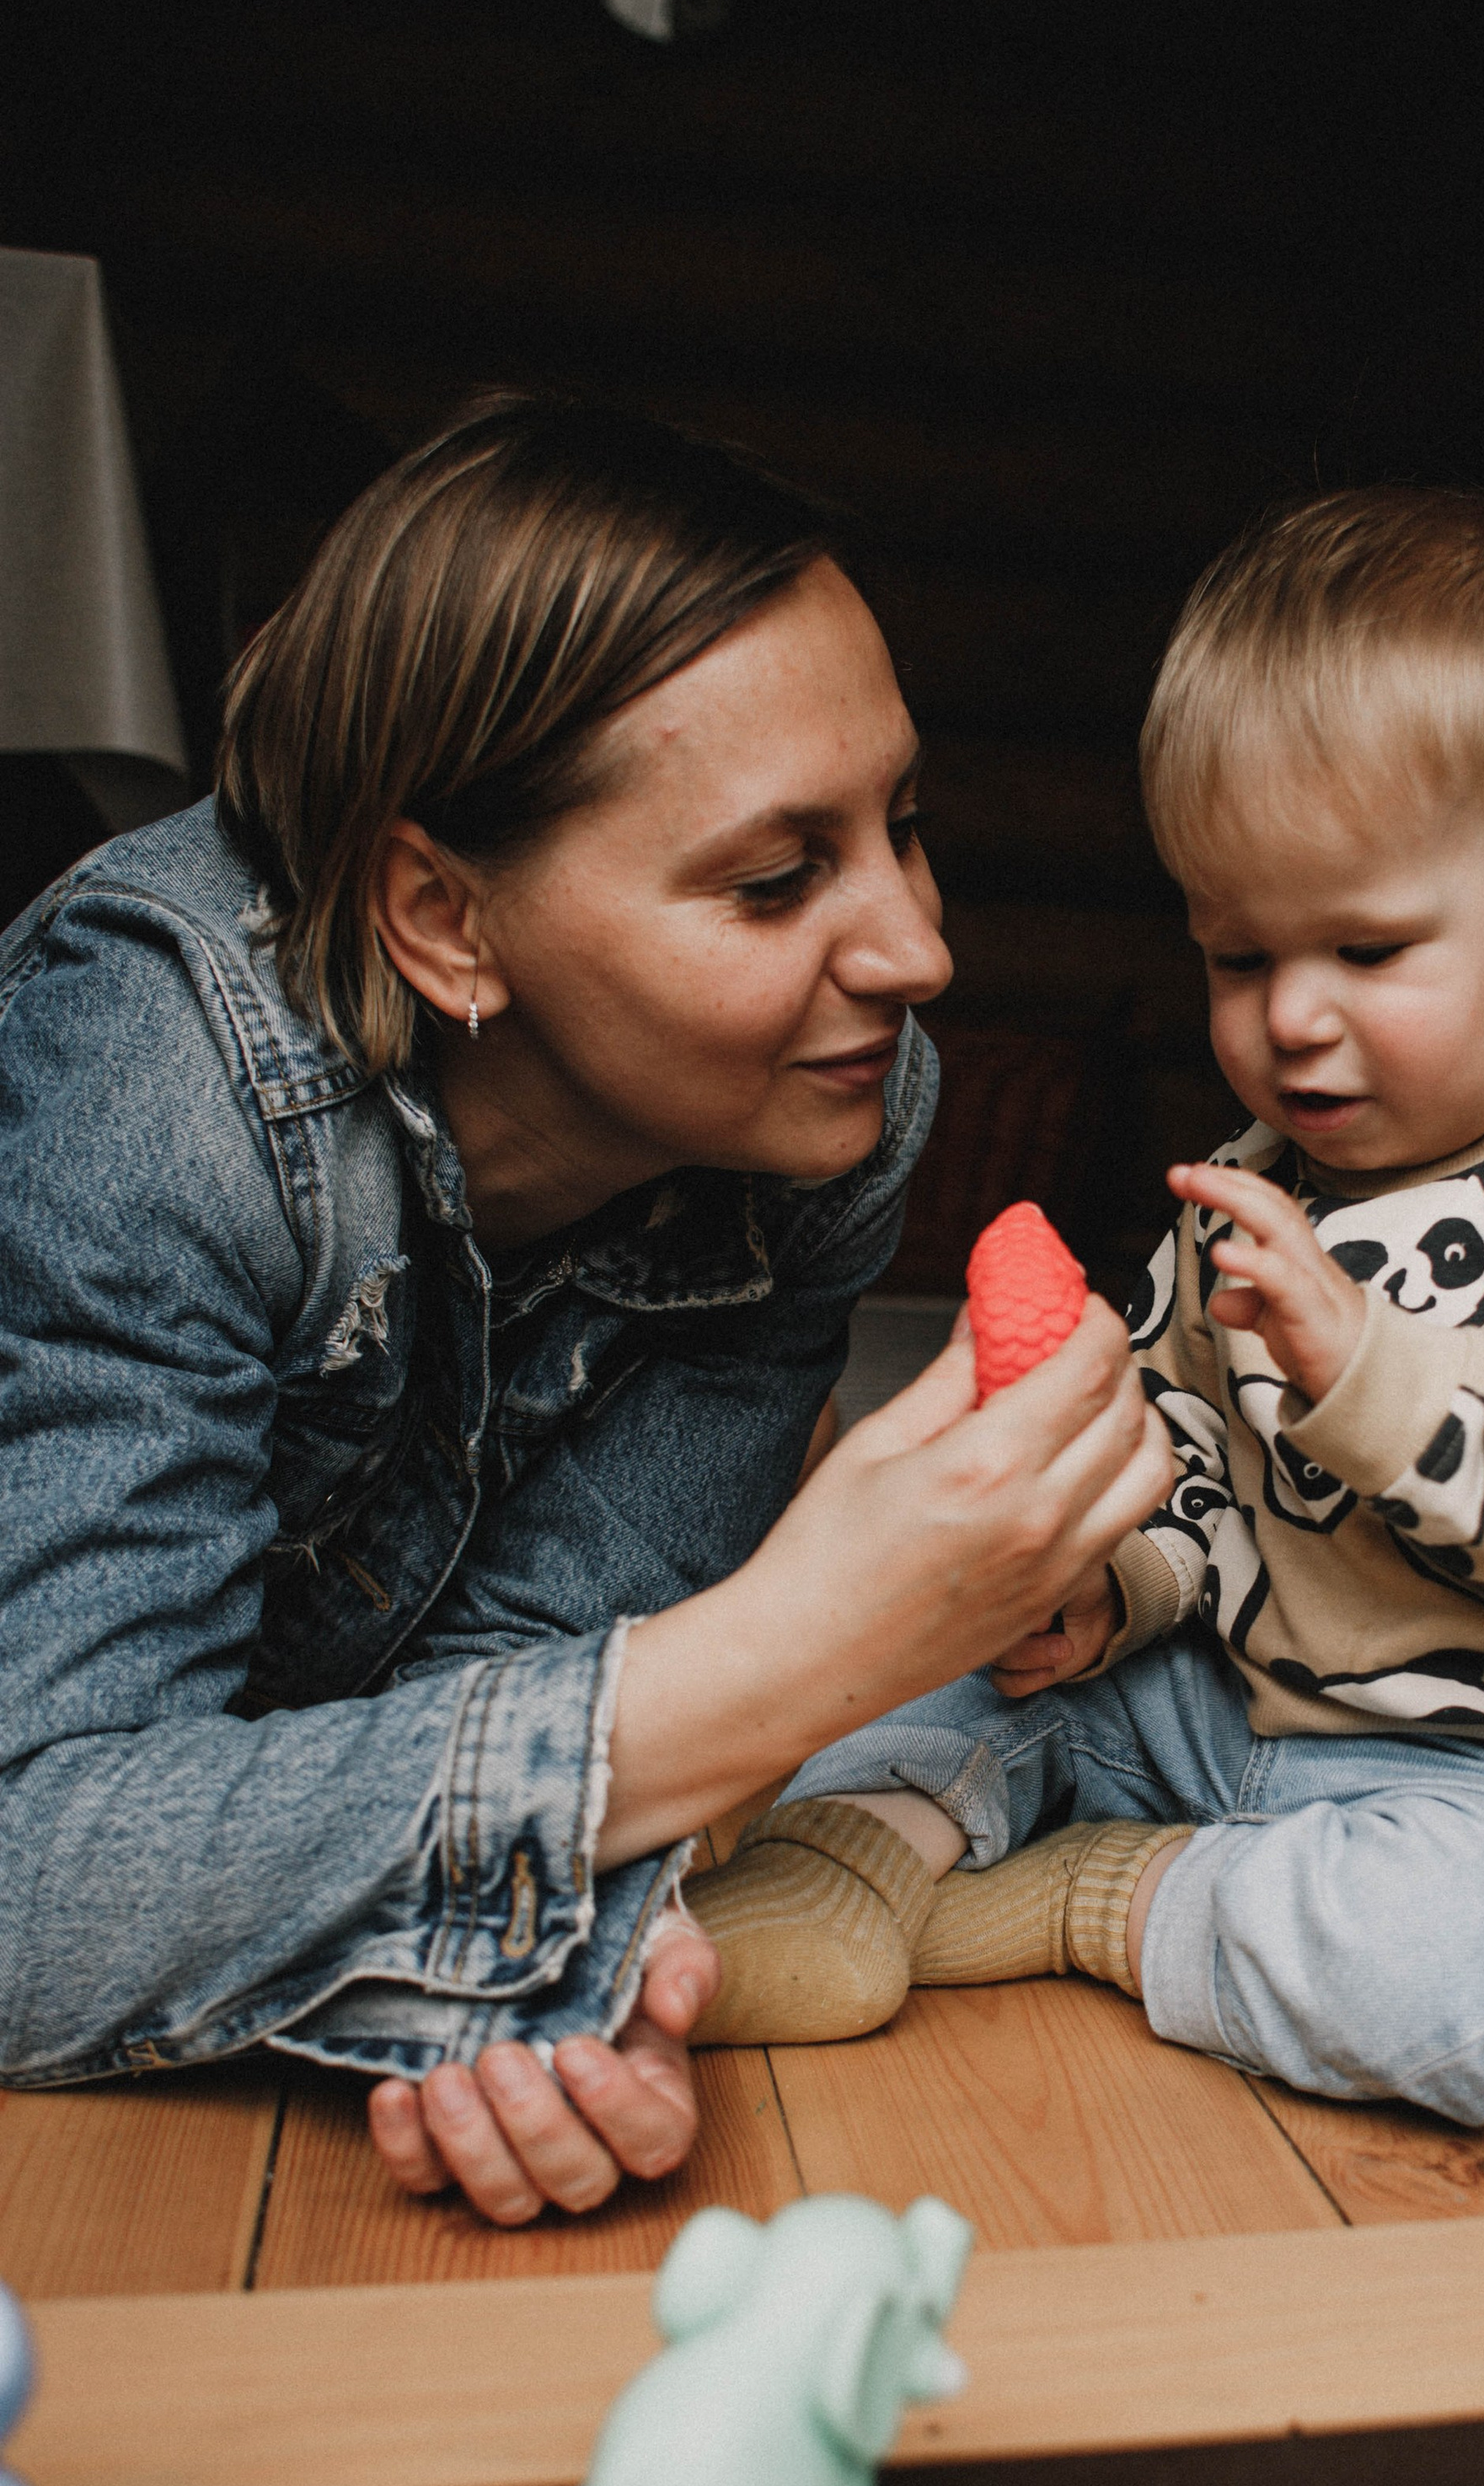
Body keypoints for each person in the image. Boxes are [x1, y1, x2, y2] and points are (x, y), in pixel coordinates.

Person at [0, 397, 1171, 2222]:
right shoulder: (150, 1075)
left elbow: (523, 1672)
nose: (915, 951)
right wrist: (809, 1645)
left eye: (904, 826)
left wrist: (501, 1978)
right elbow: (33, 1876)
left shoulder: (834, 1127)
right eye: (778, 879)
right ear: (443, 919)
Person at [699, 488, 1484, 2124]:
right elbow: (1194, 1459)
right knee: (932, 1671)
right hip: (1245, 1706)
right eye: (1237, 956)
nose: (1291, 1020)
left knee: (1425, 1989)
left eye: (1365, 950)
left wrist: (1373, 1373)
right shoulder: (1265, 1176)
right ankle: (836, 1874)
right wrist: (1118, 1589)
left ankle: (1091, 1903)